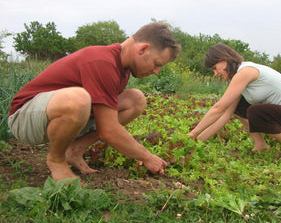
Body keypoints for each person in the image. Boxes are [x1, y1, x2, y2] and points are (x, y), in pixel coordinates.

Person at [8, 22, 180, 183]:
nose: (156, 72)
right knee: (79, 99)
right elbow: (109, 131)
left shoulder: (123, 68)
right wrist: (147, 156)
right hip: (25, 117)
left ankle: (75, 151)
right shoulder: (102, 61)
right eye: (156, 64)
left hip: (55, 116)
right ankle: (56, 161)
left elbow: (108, 120)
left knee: (136, 100)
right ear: (143, 49)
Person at [188, 43, 281, 158]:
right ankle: (260, 145)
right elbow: (225, 114)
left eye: (215, 68)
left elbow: (218, 108)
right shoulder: (238, 77)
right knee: (240, 107)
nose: (215, 74)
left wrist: (193, 133)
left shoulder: (245, 71)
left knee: (255, 111)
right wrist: (196, 141)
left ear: (224, 59)